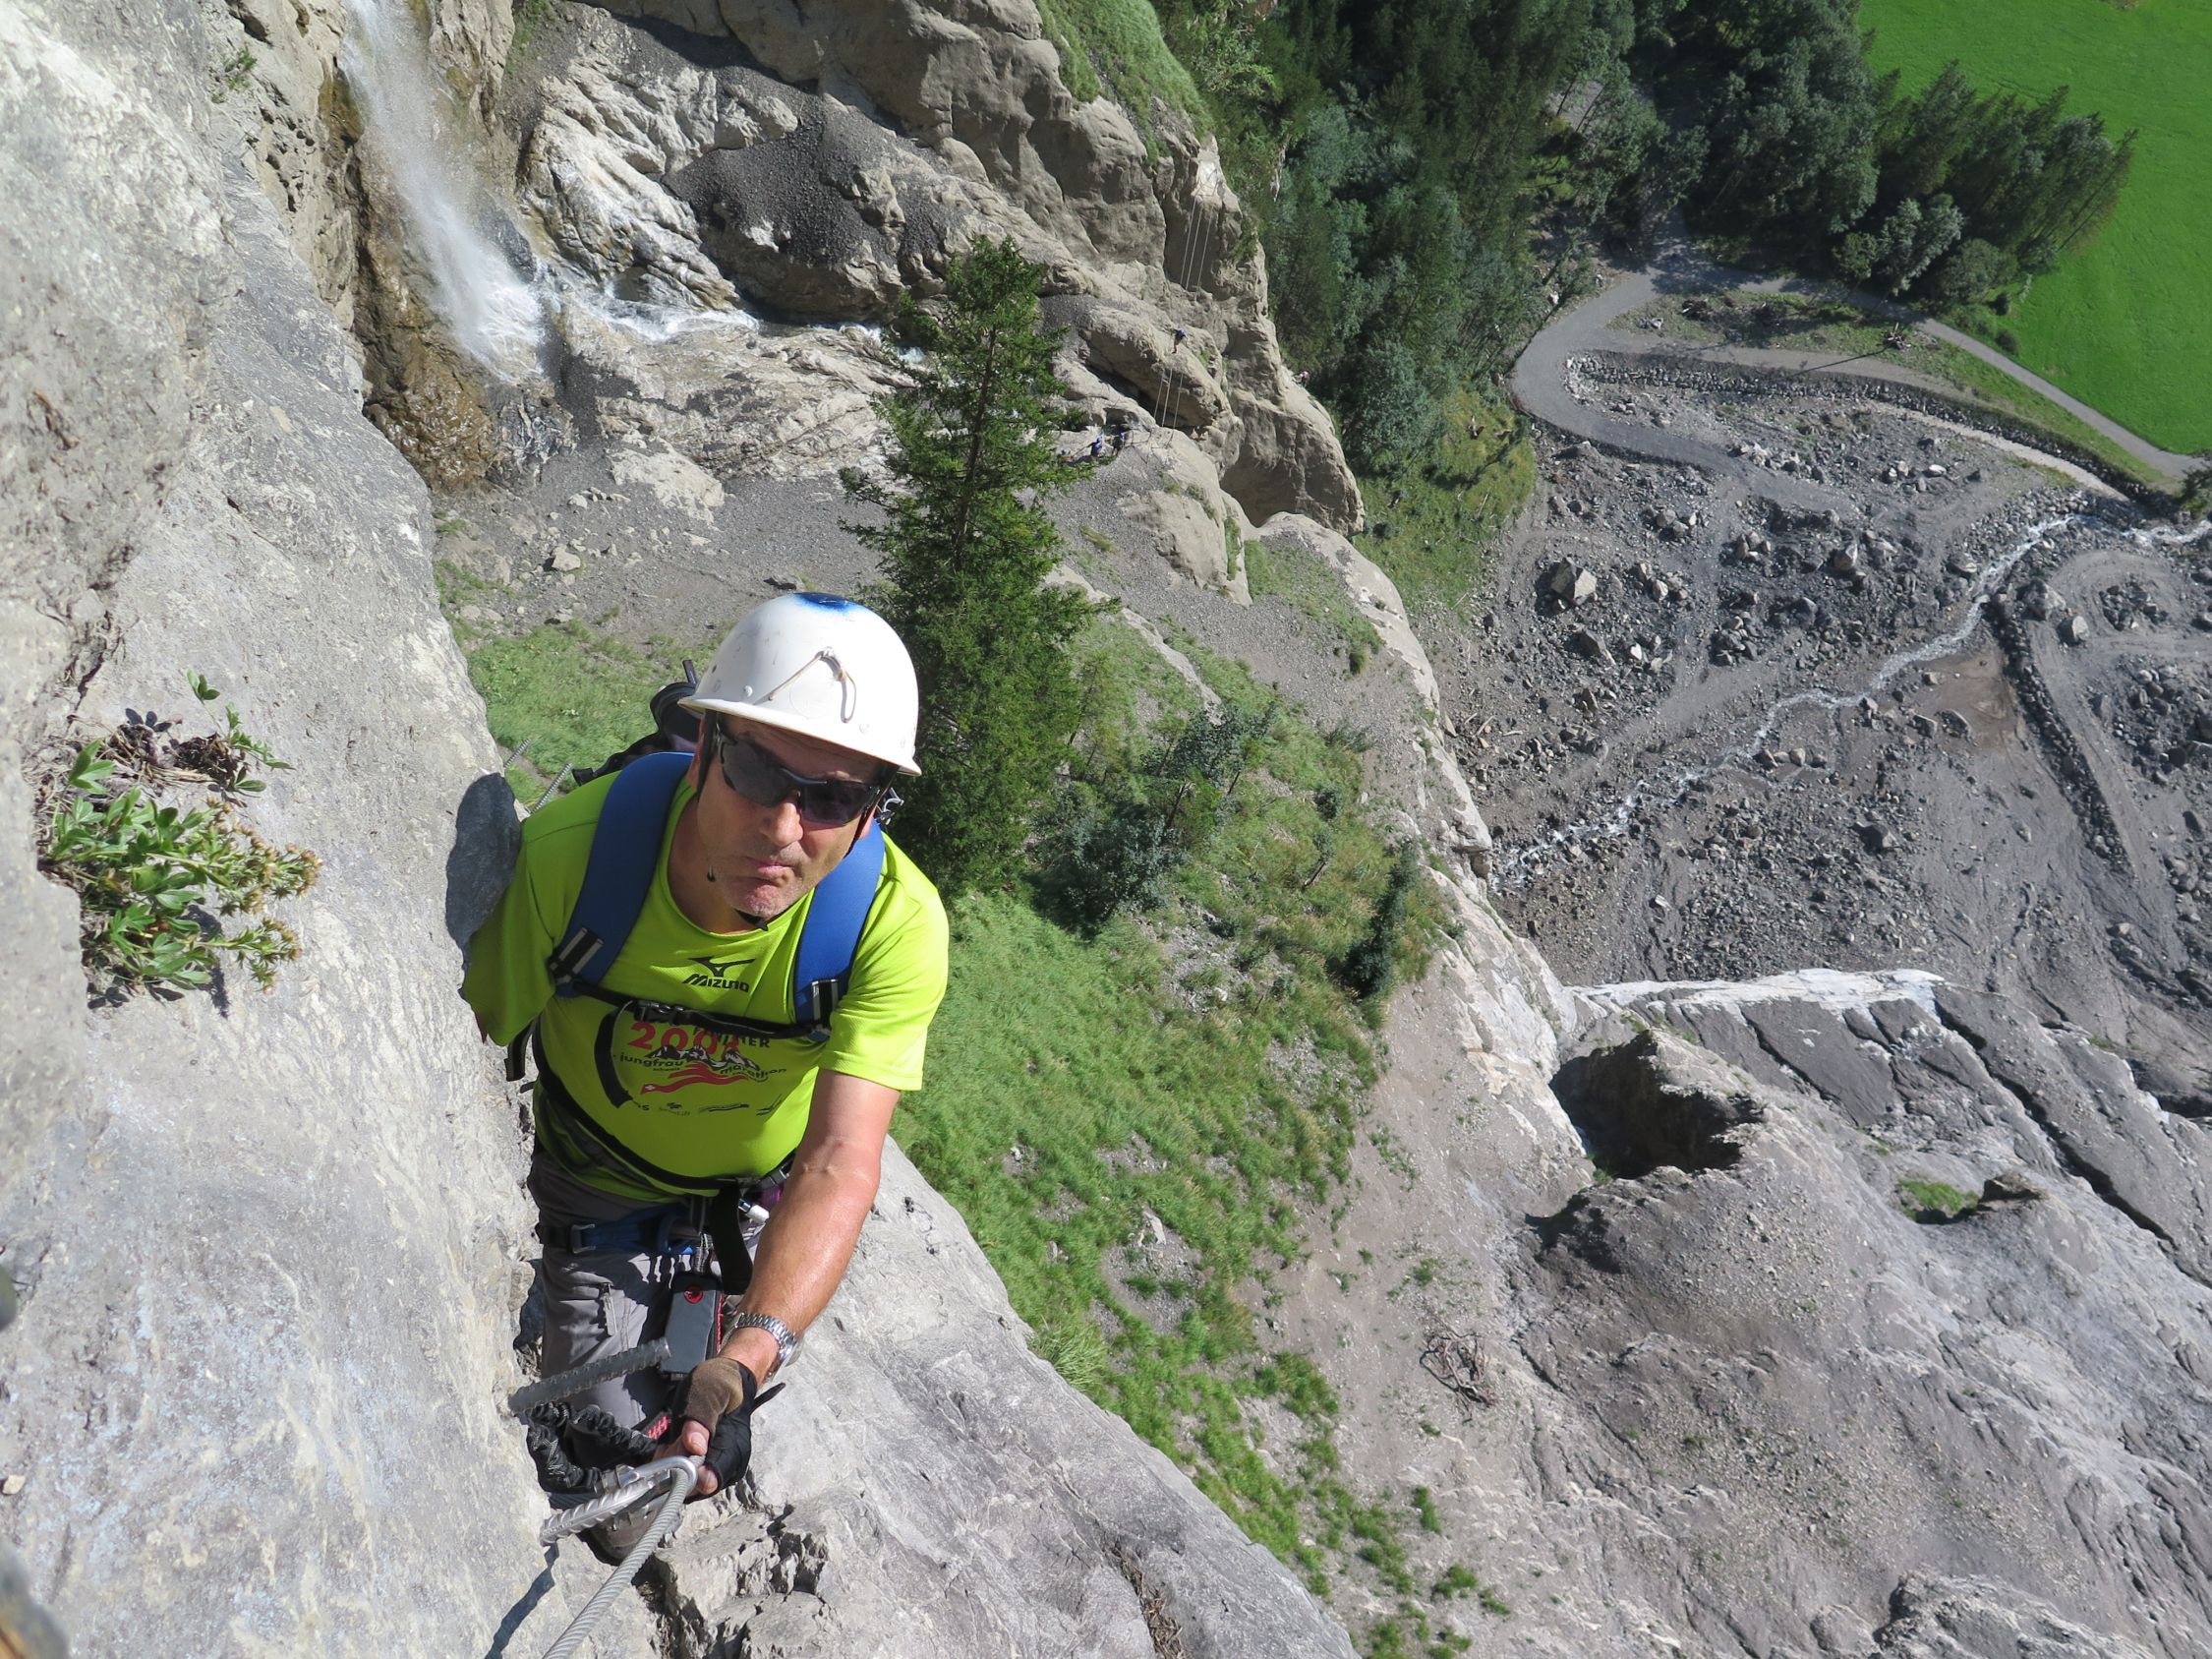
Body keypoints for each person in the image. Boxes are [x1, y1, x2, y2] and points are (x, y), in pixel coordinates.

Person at [463, 592, 948, 1545]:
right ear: (703, 753)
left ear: (871, 812)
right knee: (622, 1499)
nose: (784, 826)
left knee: (662, 1481)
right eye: (759, 771)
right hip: (598, 1189)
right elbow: (462, 1052)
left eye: (832, 799)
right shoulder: (575, 862)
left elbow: (839, 1161)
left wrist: (746, 1359)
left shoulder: (892, 924)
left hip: (753, 1198)